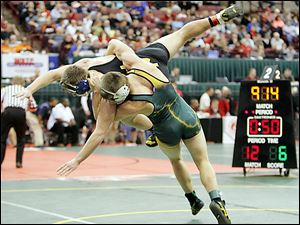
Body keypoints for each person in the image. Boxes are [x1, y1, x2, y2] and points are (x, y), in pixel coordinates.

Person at [17, 4, 243, 223]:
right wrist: (29, 89)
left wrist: (77, 160)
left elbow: (98, 132)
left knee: (133, 119)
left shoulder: (105, 102)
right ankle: (216, 18)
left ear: (84, 86)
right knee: (183, 34)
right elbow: (114, 43)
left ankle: (158, 138)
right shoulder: (92, 62)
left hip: (138, 98)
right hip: (148, 65)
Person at [1, 77, 37, 168]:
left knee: (2, 138)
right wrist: (26, 108)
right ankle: (18, 162)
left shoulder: (6, 89)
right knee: (21, 139)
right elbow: (34, 106)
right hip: (20, 113)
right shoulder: (26, 90)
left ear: (12, 82)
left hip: (8, 112)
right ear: (23, 83)